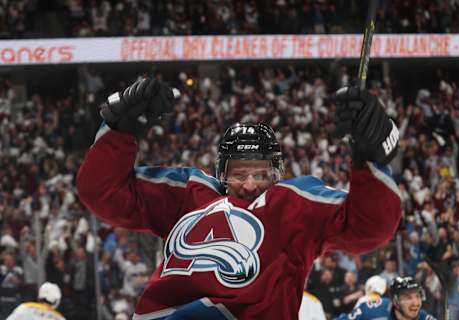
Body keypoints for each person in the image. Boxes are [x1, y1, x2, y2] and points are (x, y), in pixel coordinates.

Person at [76, 77, 402, 319]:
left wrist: (371, 158)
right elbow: (103, 192)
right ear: (221, 172)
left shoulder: (296, 204)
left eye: (259, 174)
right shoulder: (188, 193)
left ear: (275, 172)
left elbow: (368, 227)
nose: (248, 185)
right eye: (238, 173)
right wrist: (119, 131)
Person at [336, 276, 437, 320]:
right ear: (395, 301)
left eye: (418, 296)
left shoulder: (422, 317)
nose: (415, 302)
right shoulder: (372, 310)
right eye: (408, 298)